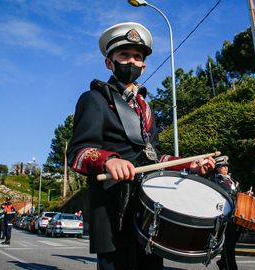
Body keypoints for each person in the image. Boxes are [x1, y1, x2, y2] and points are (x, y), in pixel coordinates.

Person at [67, 22, 215, 270]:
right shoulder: (94, 99)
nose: (132, 62)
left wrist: (190, 164)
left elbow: (153, 155)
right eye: (124, 55)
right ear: (109, 62)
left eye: (137, 57)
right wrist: (108, 160)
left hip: (149, 208)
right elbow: (78, 152)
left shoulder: (146, 107)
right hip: (113, 206)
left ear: (144, 66)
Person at [212, 156, 241, 270]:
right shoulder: (214, 181)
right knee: (229, 246)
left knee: (232, 243)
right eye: (223, 166)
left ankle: (223, 262)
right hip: (225, 217)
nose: (226, 168)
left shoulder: (234, 181)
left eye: (226, 166)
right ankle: (231, 267)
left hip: (236, 216)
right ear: (217, 168)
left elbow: (239, 195)